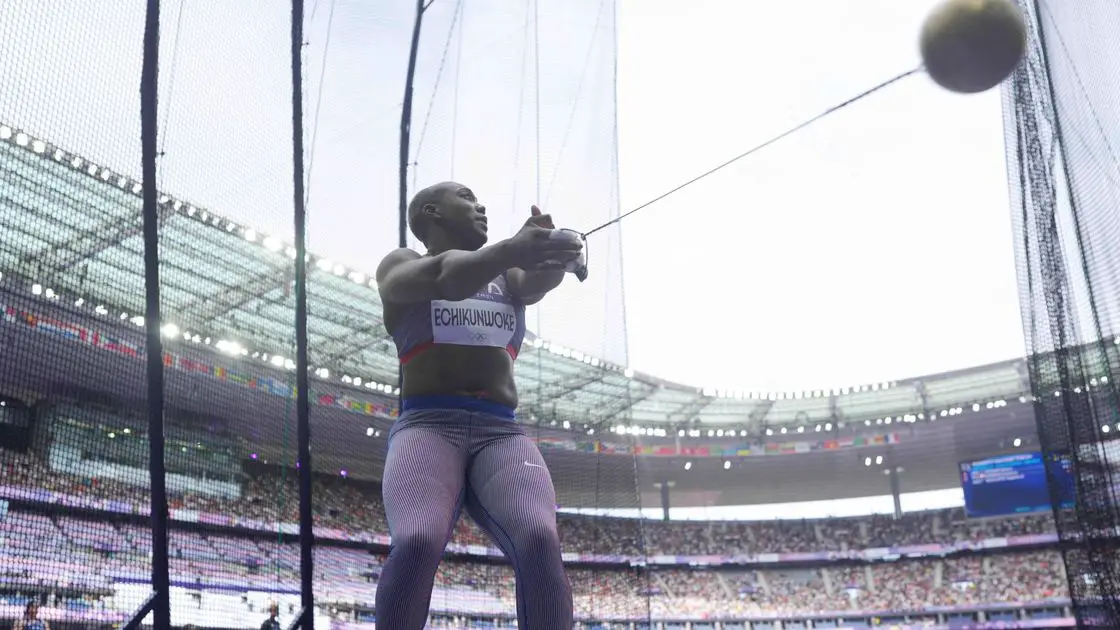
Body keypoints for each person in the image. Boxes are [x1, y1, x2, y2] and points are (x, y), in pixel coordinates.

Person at [373, 181, 581, 629]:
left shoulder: (507, 275)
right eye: (466, 197)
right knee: (417, 539)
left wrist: (555, 254)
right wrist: (513, 248)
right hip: (428, 427)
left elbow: (534, 282)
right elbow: (444, 277)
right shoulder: (401, 264)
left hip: (500, 432)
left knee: (540, 539)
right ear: (432, 212)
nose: (481, 205)